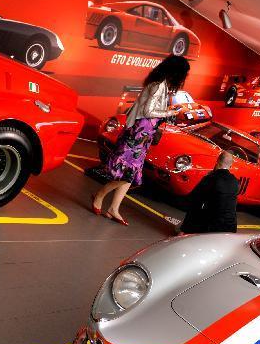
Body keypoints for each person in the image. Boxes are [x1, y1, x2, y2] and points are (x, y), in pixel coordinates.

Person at [92, 55, 190, 225]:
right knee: (127, 173)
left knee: (131, 174)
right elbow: (148, 111)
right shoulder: (160, 85)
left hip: (143, 134)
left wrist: (168, 110)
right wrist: (170, 112)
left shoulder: (160, 83)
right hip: (138, 133)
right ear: (177, 72)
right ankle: (100, 195)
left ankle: (114, 208)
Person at [179, 151, 239, 234]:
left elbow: (193, 201)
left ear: (217, 161)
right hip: (230, 228)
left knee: (196, 206)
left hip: (213, 227)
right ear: (231, 165)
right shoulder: (235, 182)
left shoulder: (211, 179)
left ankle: (183, 232)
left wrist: (185, 227)